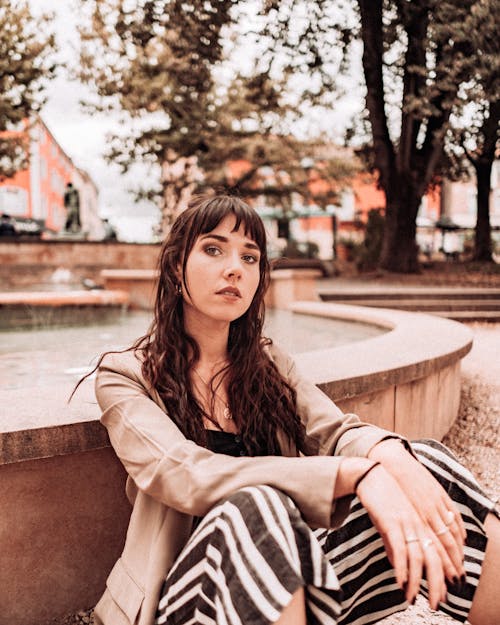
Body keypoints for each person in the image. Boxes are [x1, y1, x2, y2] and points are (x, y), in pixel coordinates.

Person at [90, 194, 499, 625]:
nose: (235, 268)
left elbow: (335, 431)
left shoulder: (267, 363)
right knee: (256, 507)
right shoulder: (124, 374)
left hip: (285, 584)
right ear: (176, 266)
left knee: (427, 464)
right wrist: (352, 475)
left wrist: (391, 457)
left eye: (250, 257)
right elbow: (185, 473)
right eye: (214, 249)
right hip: (185, 598)